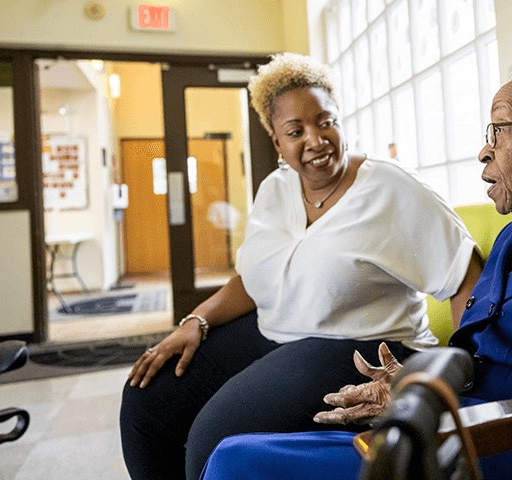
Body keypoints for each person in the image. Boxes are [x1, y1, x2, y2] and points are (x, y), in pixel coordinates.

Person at [198, 52, 512, 480]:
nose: (485, 149)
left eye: (500, 129)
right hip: (458, 426)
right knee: (237, 454)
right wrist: (413, 386)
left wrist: (439, 410)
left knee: (237, 463)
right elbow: (475, 358)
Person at [119, 52, 484, 480]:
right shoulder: (275, 189)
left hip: (359, 346)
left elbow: (466, 277)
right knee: (146, 400)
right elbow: (254, 280)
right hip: (272, 330)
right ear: (277, 142)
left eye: (325, 121)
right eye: (295, 131)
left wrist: (460, 377)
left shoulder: (391, 187)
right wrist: (196, 320)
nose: (315, 139)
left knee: (214, 437)